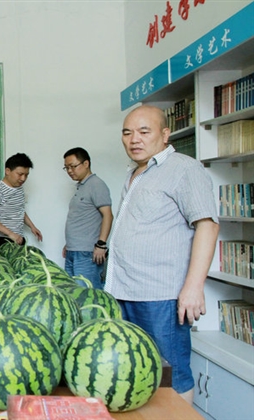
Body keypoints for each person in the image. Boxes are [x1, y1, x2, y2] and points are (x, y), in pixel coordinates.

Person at [105, 105, 219, 403]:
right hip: (124, 291)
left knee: (171, 376)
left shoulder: (184, 169)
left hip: (160, 295)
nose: (134, 139)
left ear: (165, 134)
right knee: (137, 371)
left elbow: (207, 225)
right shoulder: (135, 174)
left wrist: (193, 288)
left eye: (144, 131)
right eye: (127, 132)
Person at [61, 147, 113, 289]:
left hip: (88, 253)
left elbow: (108, 215)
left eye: (73, 166)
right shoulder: (82, 187)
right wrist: (69, 244)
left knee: (87, 296)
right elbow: (81, 217)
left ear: (86, 164)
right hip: (74, 250)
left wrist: (101, 244)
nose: (70, 171)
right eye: (66, 168)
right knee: (74, 294)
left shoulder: (96, 185)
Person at [0, 153, 42, 246]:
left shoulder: (19, 189)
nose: (23, 178)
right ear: (7, 171)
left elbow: (19, 209)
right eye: (20, 174)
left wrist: (32, 227)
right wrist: (10, 234)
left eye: (26, 175)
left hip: (17, 239)